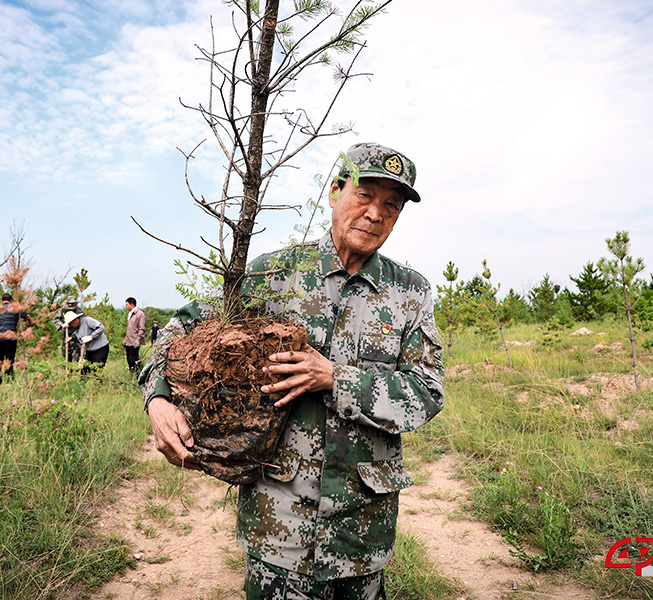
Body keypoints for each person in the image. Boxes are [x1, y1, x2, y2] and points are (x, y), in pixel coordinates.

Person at [141, 143, 445, 599]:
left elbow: (426, 393)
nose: (375, 214)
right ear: (335, 191)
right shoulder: (274, 273)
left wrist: (336, 378)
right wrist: (159, 399)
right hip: (276, 524)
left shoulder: (411, 293)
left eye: (391, 206)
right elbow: (182, 328)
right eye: (364, 196)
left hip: (360, 534)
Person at [0, 293, 33, 385]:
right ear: (11, 301)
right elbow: (27, 316)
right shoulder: (15, 308)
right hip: (10, 338)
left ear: (2, 301)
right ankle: (8, 381)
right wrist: (30, 323)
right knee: (9, 359)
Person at [63, 310, 110, 375]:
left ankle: (98, 384)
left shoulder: (88, 321)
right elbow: (83, 344)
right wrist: (82, 358)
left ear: (75, 320)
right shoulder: (76, 331)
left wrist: (91, 336)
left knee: (96, 370)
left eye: (71, 323)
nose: (71, 325)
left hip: (100, 349)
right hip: (89, 351)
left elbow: (101, 327)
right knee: (84, 371)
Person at [123, 297, 146, 375]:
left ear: (132, 304)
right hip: (128, 341)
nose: (126, 307)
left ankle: (136, 376)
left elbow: (141, 328)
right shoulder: (130, 314)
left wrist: (138, 340)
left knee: (134, 360)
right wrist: (125, 340)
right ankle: (131, 375)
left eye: (127, 305)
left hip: (134, 341)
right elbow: (129, 329)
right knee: (129, 359)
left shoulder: (140, 314)